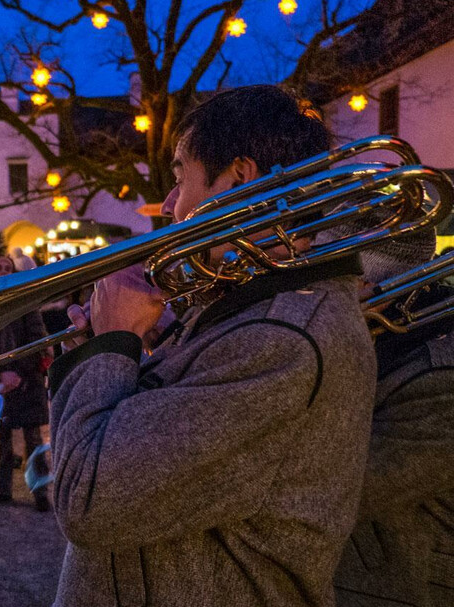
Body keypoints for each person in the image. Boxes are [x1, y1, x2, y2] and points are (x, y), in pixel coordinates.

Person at [49, 85, 376, 606]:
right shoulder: (256, 306)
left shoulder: (278, 340)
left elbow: (88, 500)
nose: (174, 206)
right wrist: (124, 353)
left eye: (180, 177)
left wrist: (112, 346)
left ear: (240, 179)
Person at [332, 228, 454, 607]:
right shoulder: (379, 339)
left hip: (397, 587)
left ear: (367, 284)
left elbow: (340, 490)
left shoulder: (441, 378)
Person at [0, 255, 52, 511]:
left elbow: (37, 339)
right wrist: (0, 374)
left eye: (7, 268)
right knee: (3, 441)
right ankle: (3, 490)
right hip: (0, 381)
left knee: (34, 441)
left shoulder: (25, 300)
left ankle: (40, 491)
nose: (2, 270)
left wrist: (19, 372)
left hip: (26, 379)